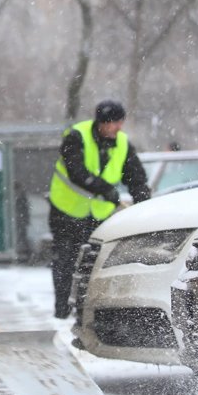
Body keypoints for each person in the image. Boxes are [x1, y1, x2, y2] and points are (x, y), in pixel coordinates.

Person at [47, 100, 151, 319]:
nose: (119, 128)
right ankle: (62, 309)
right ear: (102, 123)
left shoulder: (122, 143)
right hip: (66, 210)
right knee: (66, 260)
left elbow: (135, 176)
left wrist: (143, 203)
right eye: (114, 123)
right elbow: (77, 171)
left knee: (94, 263)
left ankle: (87, 310)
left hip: (98, 215)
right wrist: (105, 189)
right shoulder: (76, 137)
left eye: (121, 122)